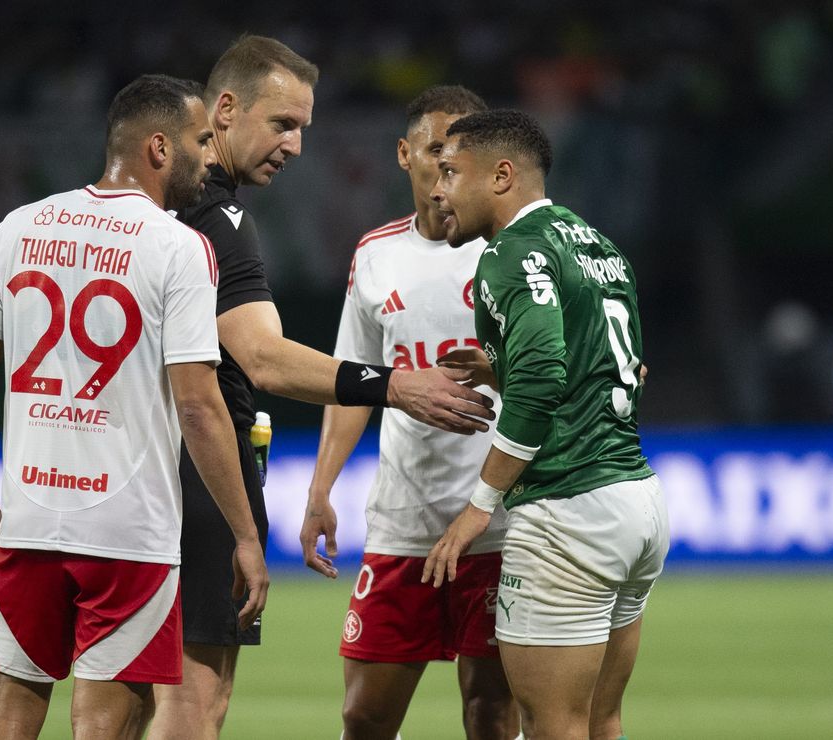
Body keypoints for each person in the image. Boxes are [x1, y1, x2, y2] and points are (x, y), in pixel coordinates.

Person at [150, 38, 497, 740]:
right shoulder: (223, 224)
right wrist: (394, 386)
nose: (297, 144)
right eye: (283, 124)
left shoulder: (133, 215)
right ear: (224, 110)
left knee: (120, 703)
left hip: (118, 476)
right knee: (196, 705)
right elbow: (266, 361)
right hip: (199, 475)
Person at [0, 74, 268, 740]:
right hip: (130, 535)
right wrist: (243, 533)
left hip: (30, 519)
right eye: (199, 139)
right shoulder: (179, 247)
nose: (209, 155)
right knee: (104, 721)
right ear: (159, 147)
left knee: (8, 709)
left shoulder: (19, 227)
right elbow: (201, 408)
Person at [422, 109, 669, 740]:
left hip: (567, 511)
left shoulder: (509, 256)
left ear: (501, 176)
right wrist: (499, 367)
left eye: (451, 171)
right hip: (636, 501)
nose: (437, 189)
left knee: (551, 725)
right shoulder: (599, 246)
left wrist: (480, 505)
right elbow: (622, 374)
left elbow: (541, 385)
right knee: (600, 719)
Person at [299, 85, 519, 740]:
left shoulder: (512, 252)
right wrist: (319, 488)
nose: (448, 166)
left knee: (490, 710)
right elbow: (352, 381)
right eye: (434, 150)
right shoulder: (376, 255)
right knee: (364, 714)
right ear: (404, 155)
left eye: (463, 152)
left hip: (499, 522)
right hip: (405, 521)